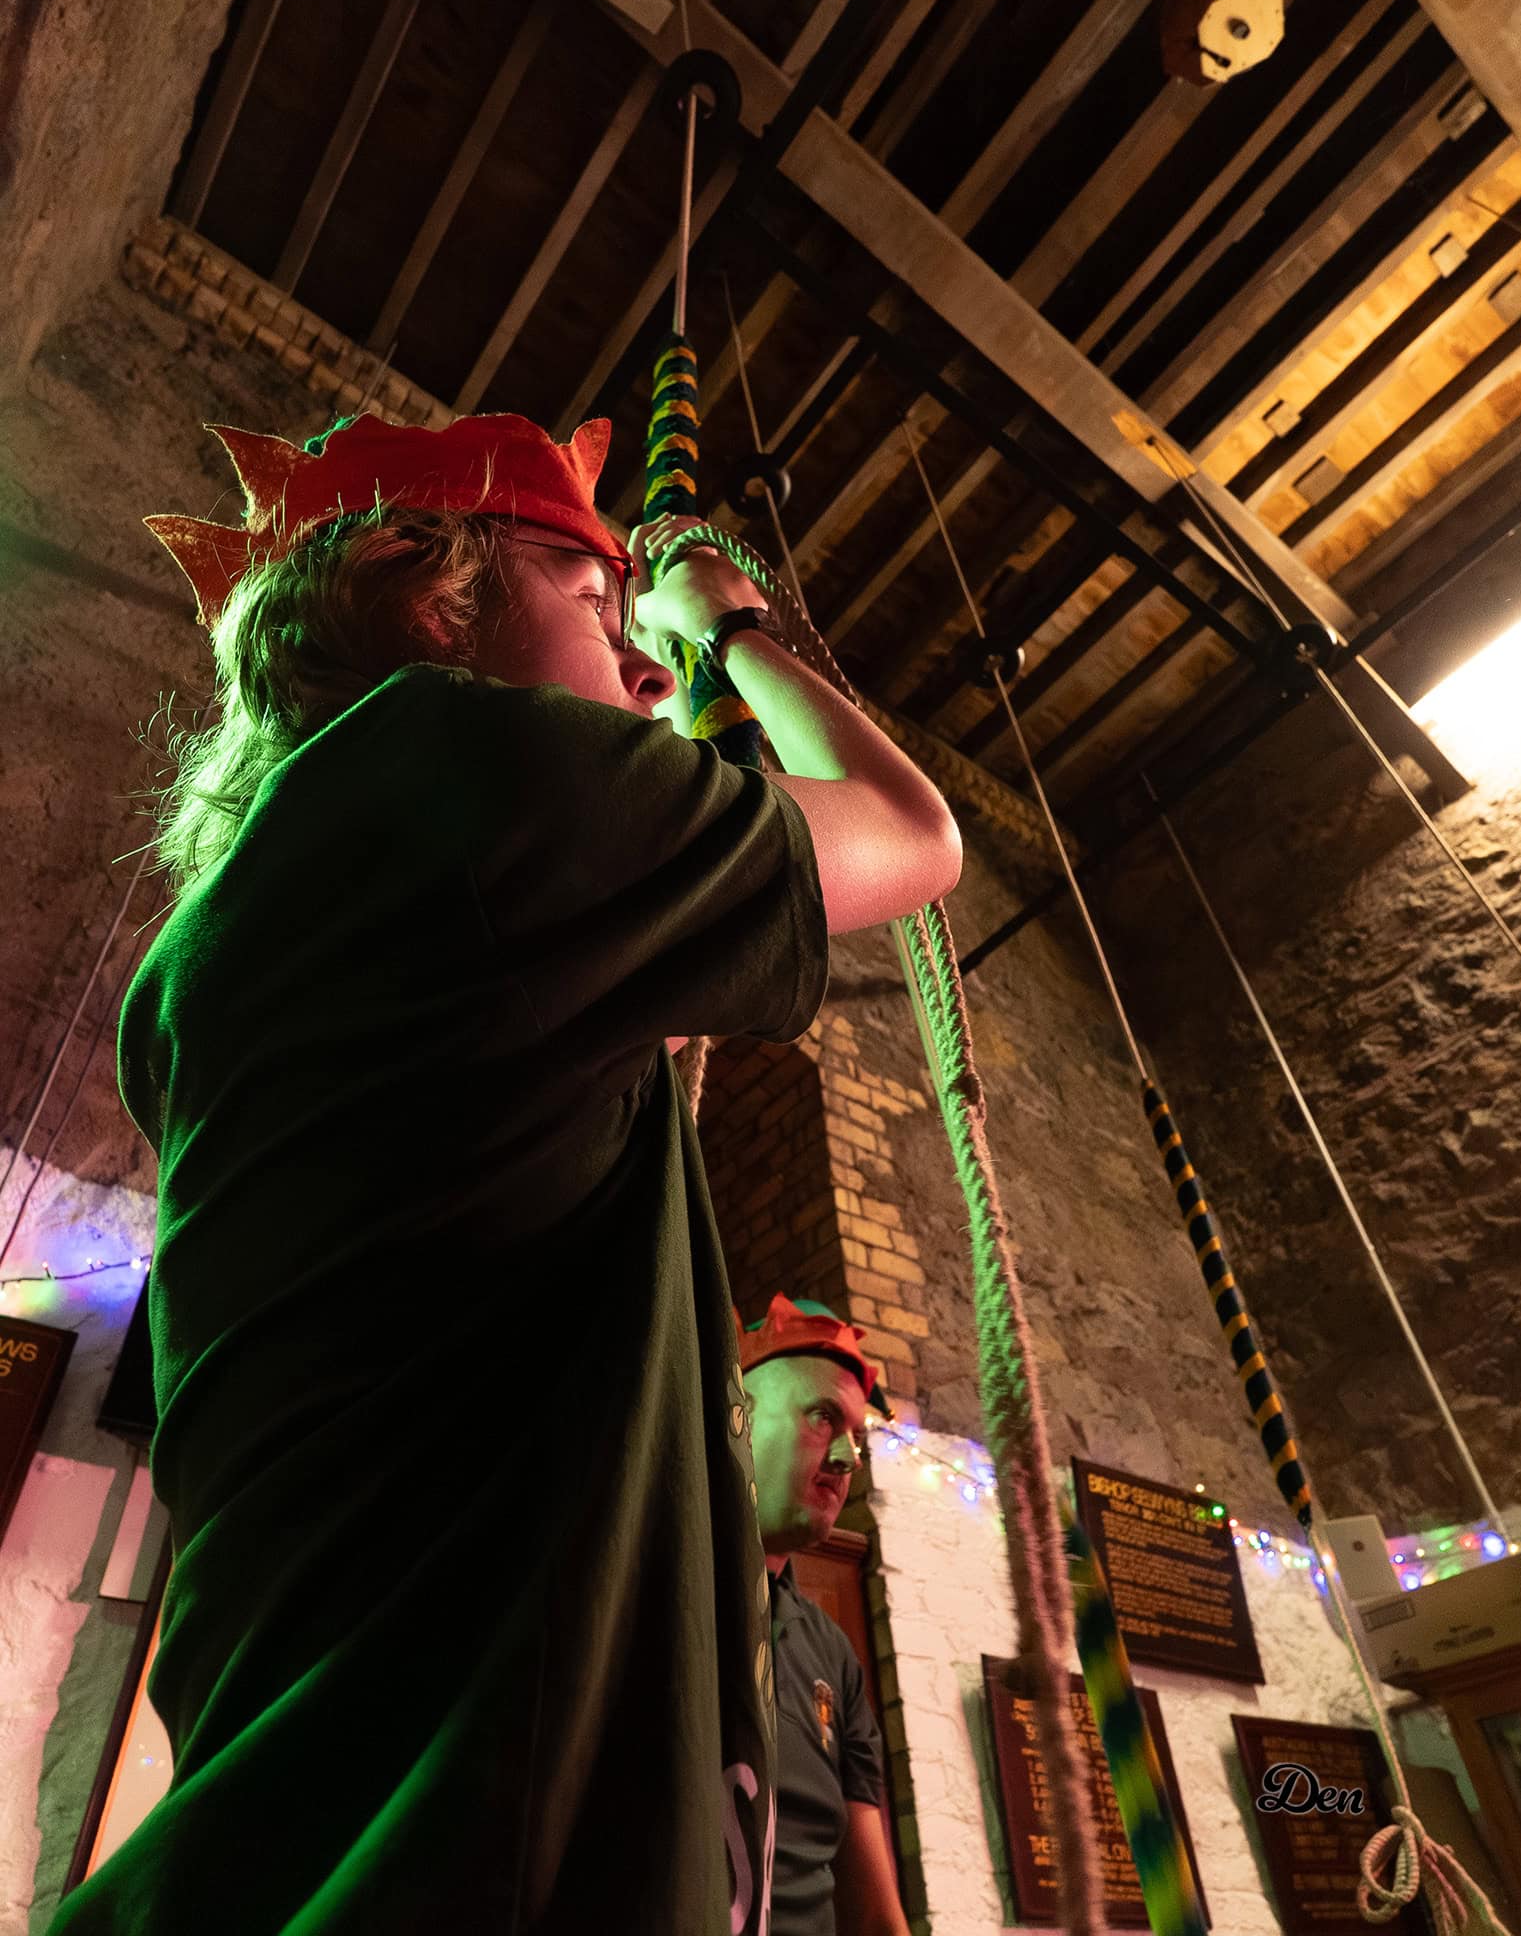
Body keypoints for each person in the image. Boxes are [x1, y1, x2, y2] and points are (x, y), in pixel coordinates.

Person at [50, 410, 961, 1936]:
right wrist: (728, 623)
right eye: (597, 604)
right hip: (481, 1842)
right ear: (429, 595)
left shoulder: (247, 928)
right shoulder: (476, 773)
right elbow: (912, 838)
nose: (644, 671)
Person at [737, 1294, 913, 1936]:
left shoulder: (833, 1654)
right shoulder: (646, 1588)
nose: (849, 1459)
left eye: (857, 1439)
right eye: (822, 1417)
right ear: (739, 1419)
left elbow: (874, 1914)